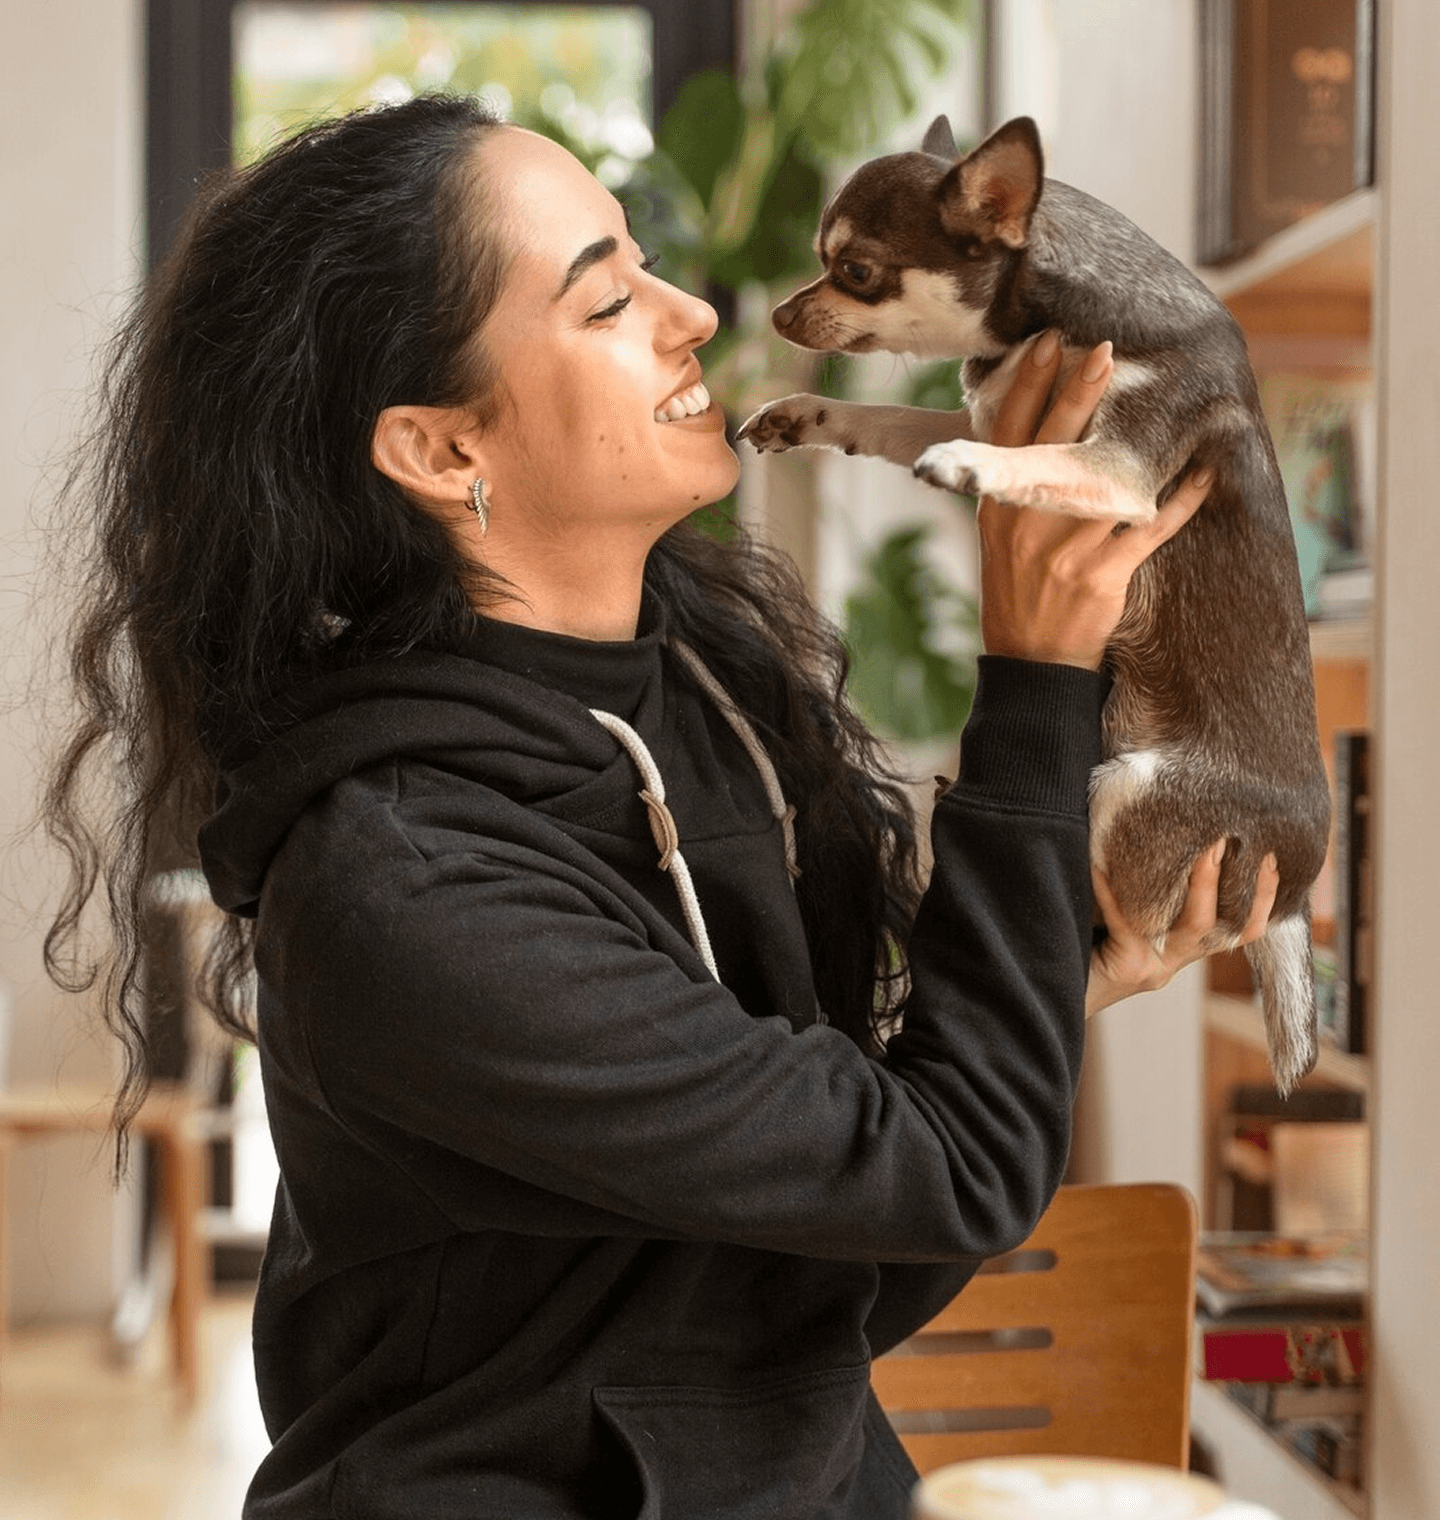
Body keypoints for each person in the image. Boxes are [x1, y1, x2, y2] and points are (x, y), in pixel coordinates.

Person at [45, 94, 1277, 1519]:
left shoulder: (708, 700)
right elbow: (948, 1175)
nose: (691, 313)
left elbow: (822, 1272)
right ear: (442, 451)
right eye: (606, 299)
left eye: (644, 262)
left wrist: (1049, 989)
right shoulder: (408, 883)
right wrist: (1037, 674)